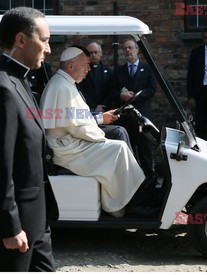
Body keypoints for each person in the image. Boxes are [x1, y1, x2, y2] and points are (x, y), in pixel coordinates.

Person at [0, 6, 58, 271]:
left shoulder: (21, 79)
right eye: (44, 40)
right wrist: (10, 227)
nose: (49, 48)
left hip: (35, 220)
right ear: (20, 40)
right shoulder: (1, 88)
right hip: (10, 228)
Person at [40, 46, 151, 218]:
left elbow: (76, 118)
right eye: (85, 64)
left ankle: (132, 198)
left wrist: (98, 122)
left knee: (117, 142)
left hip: (70, 142)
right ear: (70, 66)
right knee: (118, 148)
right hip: (67, 149)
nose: (88, 69)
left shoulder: (64, 83)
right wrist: (99, 134)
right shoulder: (62, 87)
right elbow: (77, 127)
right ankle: (129, 204)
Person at [112, 38, 157, 177]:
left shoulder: (148, 69)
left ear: (137, 50)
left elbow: (152, 89)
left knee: (145, 149)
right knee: (128, 150)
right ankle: (133, 180)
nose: (127, 51)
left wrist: (135, 97)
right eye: (125, 48)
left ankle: (150, 178)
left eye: (130, 48)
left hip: (142, 116)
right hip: (125, 118)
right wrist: (121, 95)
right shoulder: (119, 71)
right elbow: (112, 91)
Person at [78, 41, 114, 112]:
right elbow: (80, 90)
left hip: (105, 109)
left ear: (101, 53)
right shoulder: (81, 71)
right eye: (91, 53)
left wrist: (104, 106)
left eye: (96, 52)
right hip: (87, 108)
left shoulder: (108, 71)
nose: (93, 55)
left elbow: (111, 90)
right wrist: (94, 106)